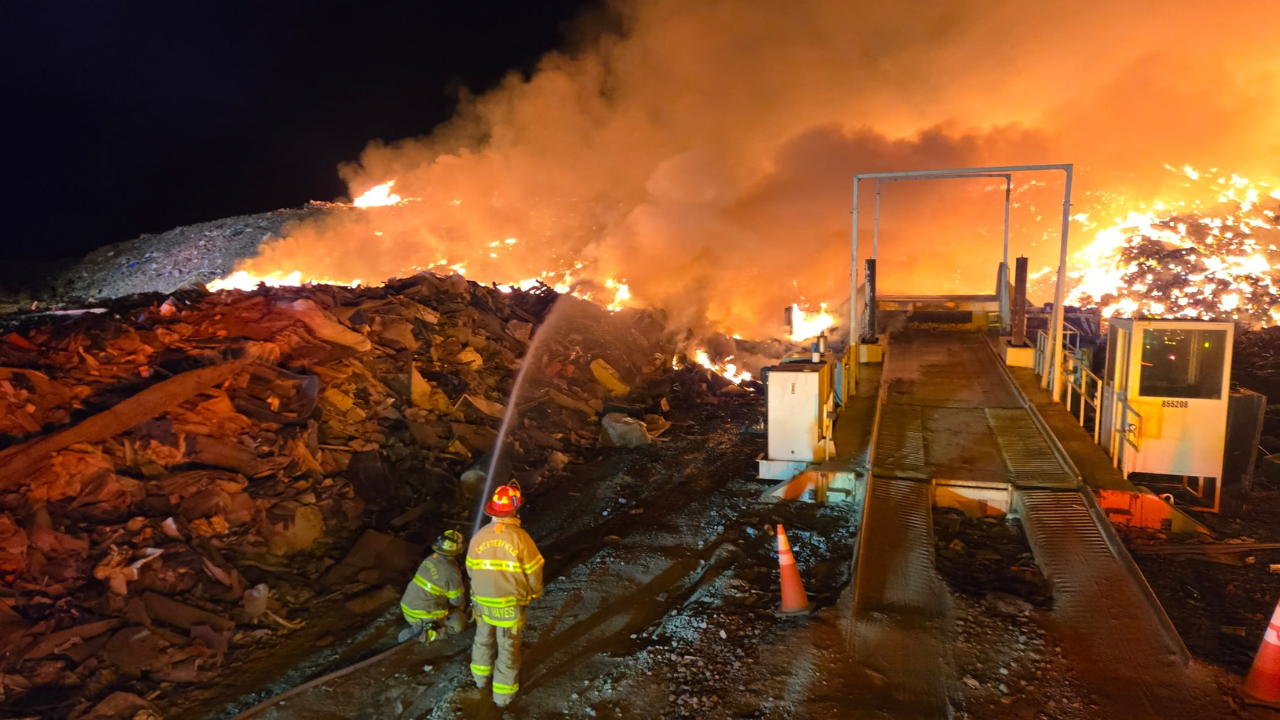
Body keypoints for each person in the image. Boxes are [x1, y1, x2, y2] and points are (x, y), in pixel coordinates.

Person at [466, 482, 544, 707]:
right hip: (509, 605)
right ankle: (502, 697)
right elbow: (534, 572)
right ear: (516, 509)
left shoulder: (479, 536)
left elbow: (470, 569)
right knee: (508, 646)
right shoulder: (521, 538)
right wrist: (534, 594)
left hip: (481, 603)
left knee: (482, 639)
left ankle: (480, 680)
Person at [398, 529, 467, 643]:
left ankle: (422, 627)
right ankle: (424, 635)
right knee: (458, 623)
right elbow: (456, 601)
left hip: (407, 608)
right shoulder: (451, 572)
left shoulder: (432, 557)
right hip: (422, 615)